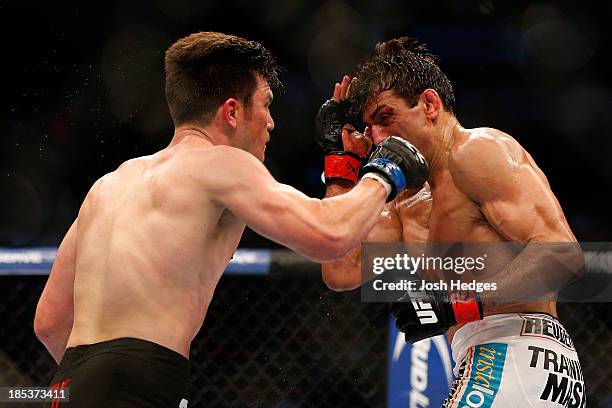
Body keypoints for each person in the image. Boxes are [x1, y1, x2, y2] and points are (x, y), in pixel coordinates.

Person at [33, 32, 428, 407]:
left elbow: (50, 321)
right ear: (232, 111)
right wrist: (382, 174)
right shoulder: (221, 163)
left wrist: (96, 382)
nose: (272, 122)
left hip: (69, 382)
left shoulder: (108, 185)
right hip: (140, 379)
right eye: (266, 104)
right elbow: (328, 235)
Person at [317, 37, 585, 407]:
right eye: (369, 127)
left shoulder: (477, 151)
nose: (377, 137)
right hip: (506, 363)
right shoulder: (402, 204)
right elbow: (339, 269)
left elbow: (562, 255)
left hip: (513, 352)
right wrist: (341, 165)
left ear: (429, 104)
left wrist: (455, 304)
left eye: (385, 117)